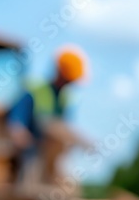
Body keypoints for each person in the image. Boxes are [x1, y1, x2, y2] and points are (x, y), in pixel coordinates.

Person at [7, 45, 87, 186]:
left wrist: (73, 143)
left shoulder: (64, 98)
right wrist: (18, 130)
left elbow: (64, 128)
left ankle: (53, 189)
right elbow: (17, 118)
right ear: (61, 73)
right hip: (31, 147)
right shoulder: (37, 90)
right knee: (31, 170)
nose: (70, 83)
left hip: (48, 150)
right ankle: (28, 190)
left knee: (65, 176)